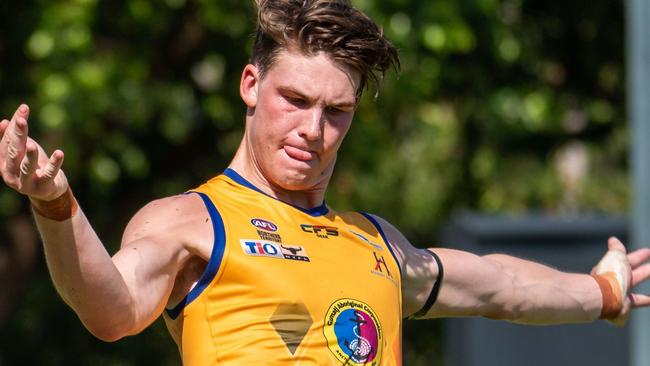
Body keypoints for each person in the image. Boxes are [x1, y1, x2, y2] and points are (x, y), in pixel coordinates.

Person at [1, 0, 649, 364]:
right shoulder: (191, 221)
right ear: (251, 85)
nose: (313, 129)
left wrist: (604, 290)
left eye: (336, 111)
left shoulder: (376, 245)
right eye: (295, 99)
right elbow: (111, 311)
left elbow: (503, 287)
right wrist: (55, 204)